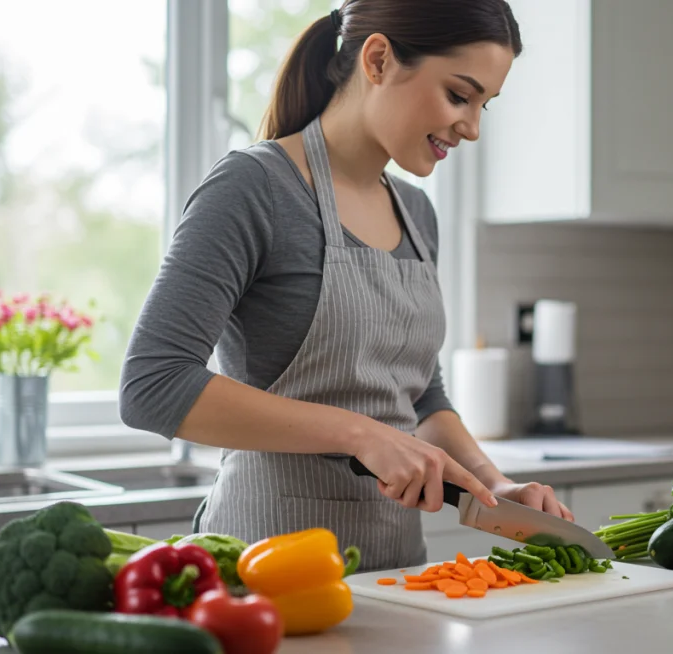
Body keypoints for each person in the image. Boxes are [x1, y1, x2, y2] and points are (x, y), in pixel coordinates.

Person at [119, 0, 572, 572]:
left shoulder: (415, 212)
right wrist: (361, 435)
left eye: (485, 104)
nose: (473, 128)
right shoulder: (254, 189)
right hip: (262, 574)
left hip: (394, 575)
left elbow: (420, 395)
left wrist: (492, 486)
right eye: (460, 95)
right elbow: (152, 384)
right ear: (378, 59)